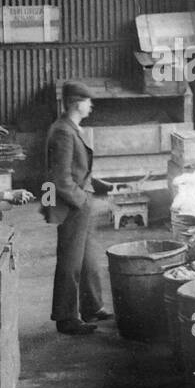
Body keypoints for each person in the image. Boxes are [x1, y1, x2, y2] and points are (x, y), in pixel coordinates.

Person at [44, 83, 113, 335]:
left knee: (89, 258)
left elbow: (78, 171)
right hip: (71, 205)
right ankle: (66, 318)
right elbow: (60, 178)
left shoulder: (71, 129)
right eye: (87, 101)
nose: (91, 105)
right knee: (71, 262)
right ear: (76, 103)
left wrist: (103, 185)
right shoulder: (62, 131)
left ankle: (92, 306)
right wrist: (82, 200)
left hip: (82, 200)